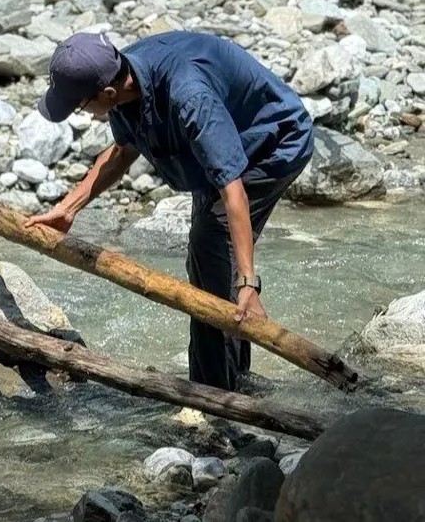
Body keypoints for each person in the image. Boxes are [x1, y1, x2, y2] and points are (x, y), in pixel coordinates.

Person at [25, 30, 314, 391]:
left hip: (274, 141)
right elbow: (122, 151)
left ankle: (215, 398)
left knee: (210, 247)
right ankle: (235, 376)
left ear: (108, 93)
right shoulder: (121, 75)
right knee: (208, 260)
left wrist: (248, 283)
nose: (81, 114)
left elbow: (233, 191)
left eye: (80, 107)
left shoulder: (188, 96)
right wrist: (68, 208)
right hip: (227, 137)